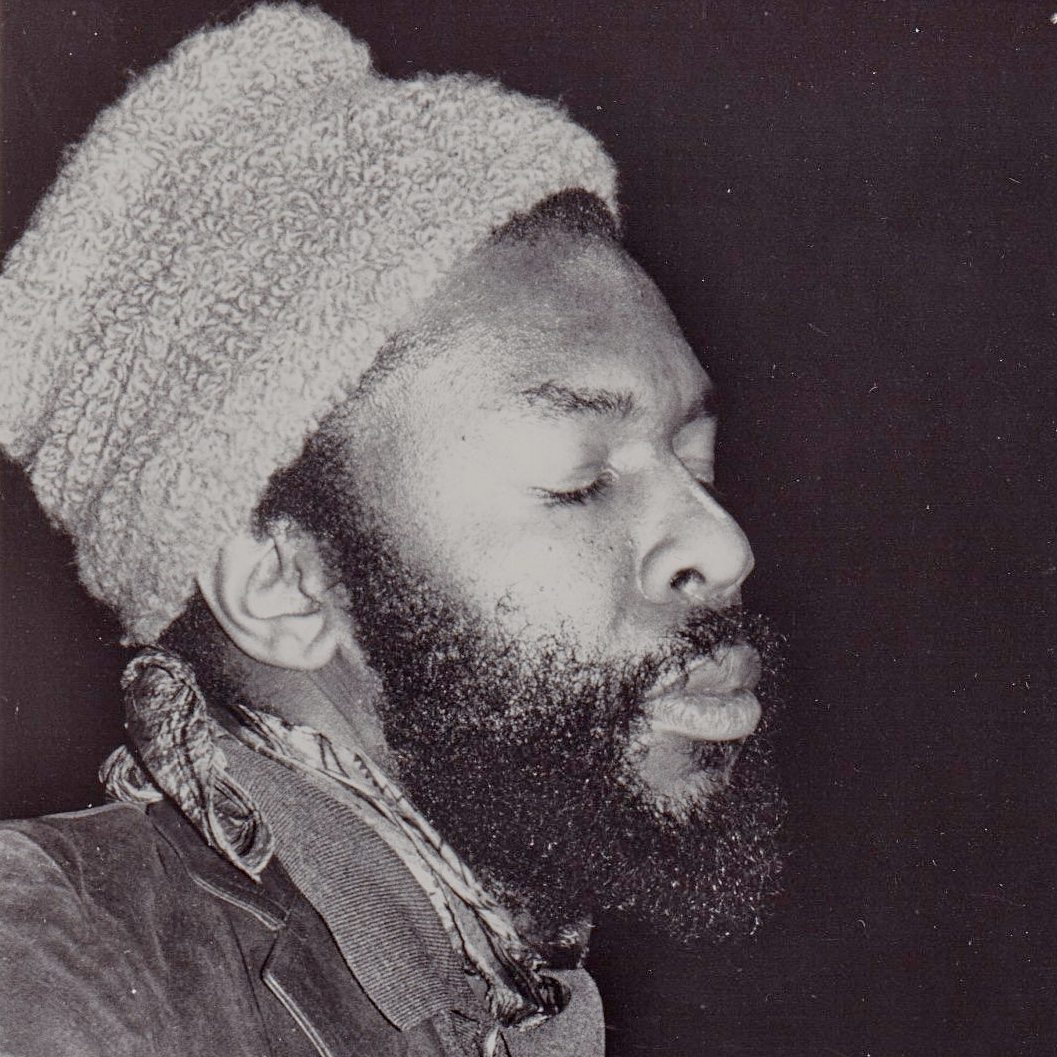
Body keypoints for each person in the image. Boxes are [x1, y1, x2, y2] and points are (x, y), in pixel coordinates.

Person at [0, 4, 784, 1055]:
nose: (723, 546)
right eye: (580, 478)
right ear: (281, 587)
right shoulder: (52, 982)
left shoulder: (500, 990)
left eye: (694, 459)